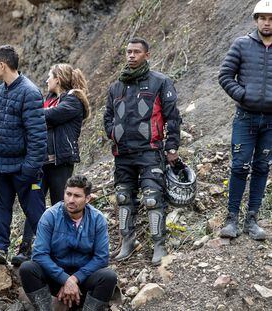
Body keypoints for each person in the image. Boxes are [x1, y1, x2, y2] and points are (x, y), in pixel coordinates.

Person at [103, 37, 181, 265]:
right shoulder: (116, 86)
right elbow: (107, 116)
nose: (131, 55)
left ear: (147, 55)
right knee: (123, 197)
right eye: (128, 51)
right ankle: (128, 242)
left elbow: (173, 117)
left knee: (152, 198)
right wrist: (114, 133)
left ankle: (159, 245)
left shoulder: (160, 82)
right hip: (123, 153)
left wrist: (172, 147)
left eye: (136, 52)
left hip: (150, 151)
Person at [12, 64, 90, 267]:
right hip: (40, 163)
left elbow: (49, 116)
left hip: (60, 163)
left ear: (58, 79)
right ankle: (26, 250)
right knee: (33, 204)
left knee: (60, 205)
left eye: (49, 76)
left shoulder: (72, 101)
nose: (46, 80)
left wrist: (31, 114)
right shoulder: (48, 100)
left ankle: (63, 251)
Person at [19, 175, 117, 311]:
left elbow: (101, 258)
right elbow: (40, 254)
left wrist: (75, 279)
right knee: (27, 268)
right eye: (68, 194)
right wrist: (65, 279)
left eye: (77, 196)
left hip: (84, 280)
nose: (71, 200)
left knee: (109, 276)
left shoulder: (97, 219)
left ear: (87, 199)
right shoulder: (50, 216)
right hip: (54, 278)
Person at [0, 45, 47, 265]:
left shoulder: (29, 92)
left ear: (3, 65)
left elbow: (37, 135)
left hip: (23, 167)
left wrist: (30, 168)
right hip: (1, 166)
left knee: (35, 212)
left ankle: (44, 252)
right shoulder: (0, 90)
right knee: (0, 209)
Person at [218, 0, 272, 241]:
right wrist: (243, 94)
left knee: (262, 167)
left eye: (271, 19)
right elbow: (225, 76)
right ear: (255, 20)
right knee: (239, 165)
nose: (267, 23)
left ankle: (252, 219)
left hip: (271, 122)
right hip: (245, 118)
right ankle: (231, 219)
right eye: (262, 18)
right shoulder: (242, 44)